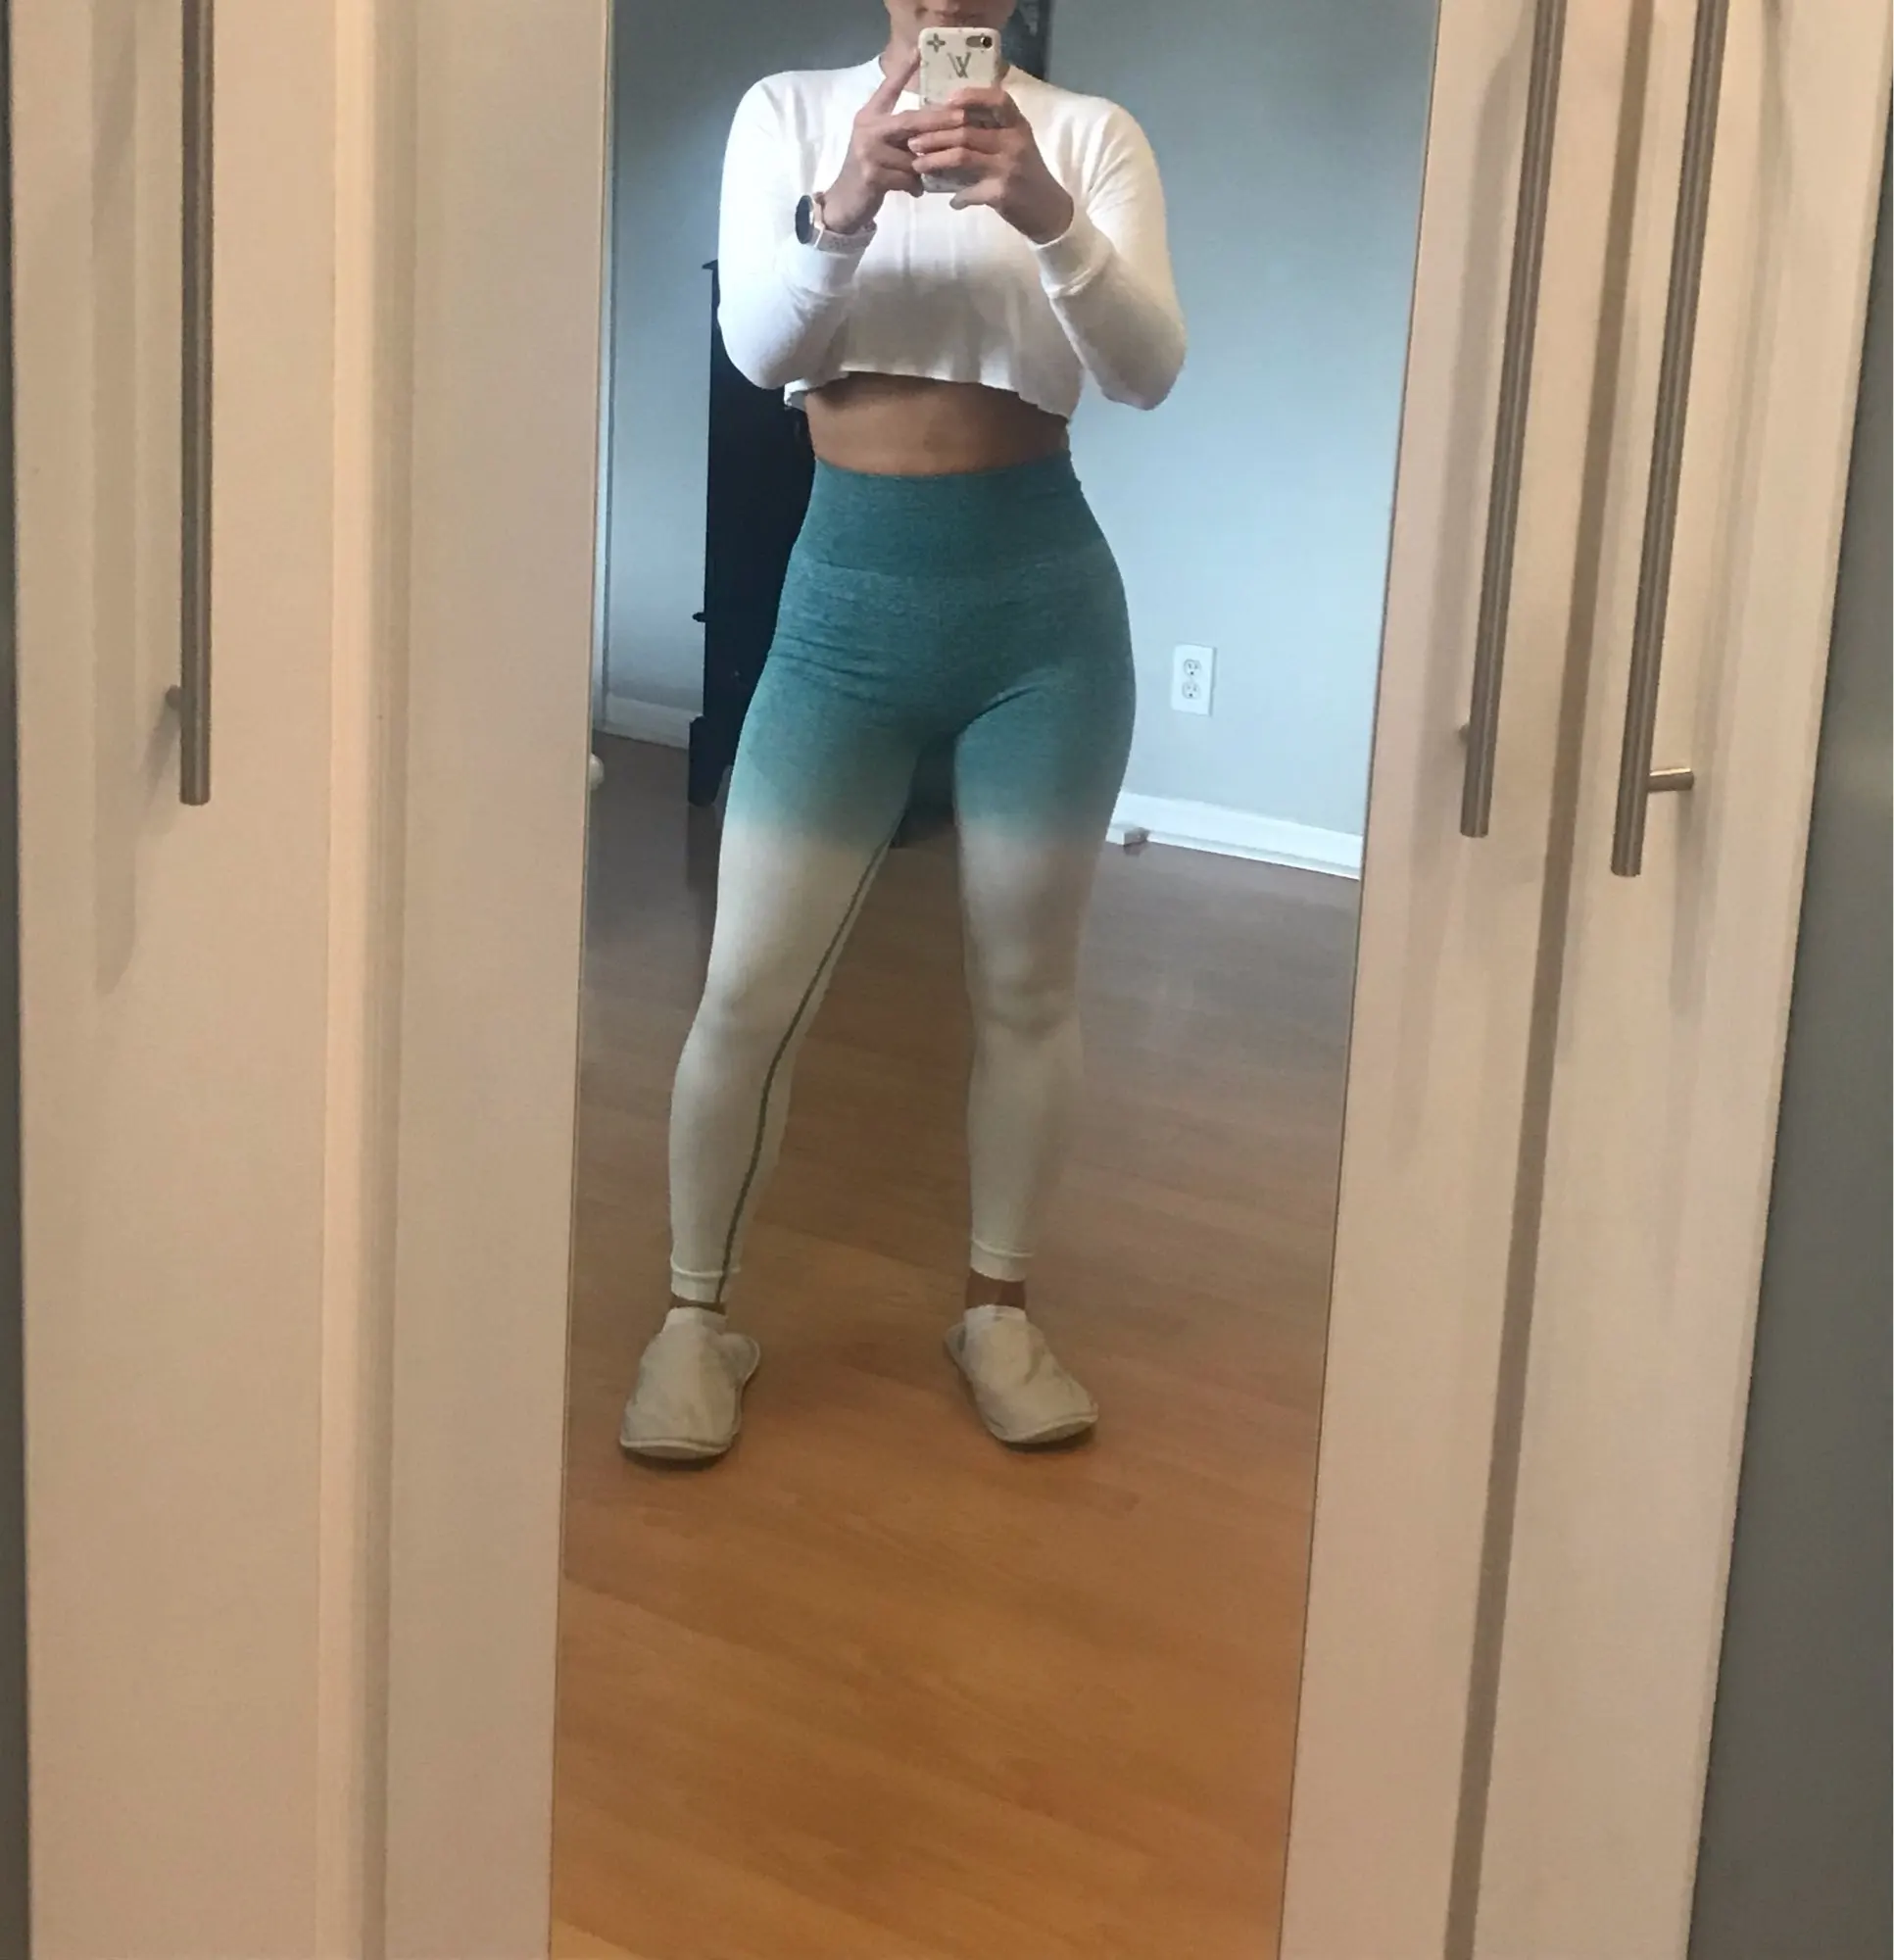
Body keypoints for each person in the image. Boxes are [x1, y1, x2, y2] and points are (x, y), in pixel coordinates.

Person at [620, 0, 1186, 1463]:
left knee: (1026, 987)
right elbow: (758, 351)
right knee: (746, 989)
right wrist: (844, 205)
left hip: (1042, 625)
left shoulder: (1088, 137)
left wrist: (1048, 214)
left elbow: (1145, 370)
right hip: (841, 617)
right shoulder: (788, 116)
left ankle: (998, 1310)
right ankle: (695, 1318)